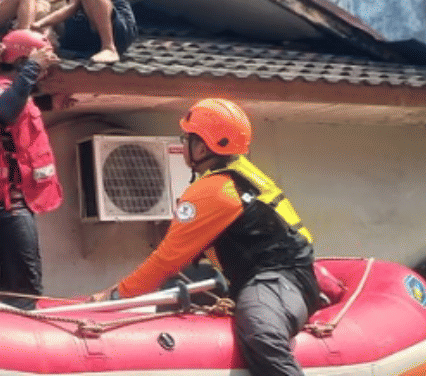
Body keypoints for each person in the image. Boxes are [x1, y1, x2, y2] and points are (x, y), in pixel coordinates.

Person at [89, 98, 319, 376]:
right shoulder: (241, 174)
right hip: (284, 277)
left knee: (262, 336)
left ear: (201, 146)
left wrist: (115, 296)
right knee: (181, 289)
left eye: (187, 138)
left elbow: (165, 261)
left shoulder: (214, 191)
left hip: (277, 281)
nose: (183, 144)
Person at [0, 30, 62, 310]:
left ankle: (5, 311)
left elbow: (15, 115)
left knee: (15, 280)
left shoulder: (9, 89)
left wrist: (50, 103)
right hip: (3, 201)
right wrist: (33, 68)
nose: (44, 74)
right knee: (26, 286)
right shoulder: (1, 88)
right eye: (40, 68)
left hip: (5, 200)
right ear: (22, 62)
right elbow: (5, 112)